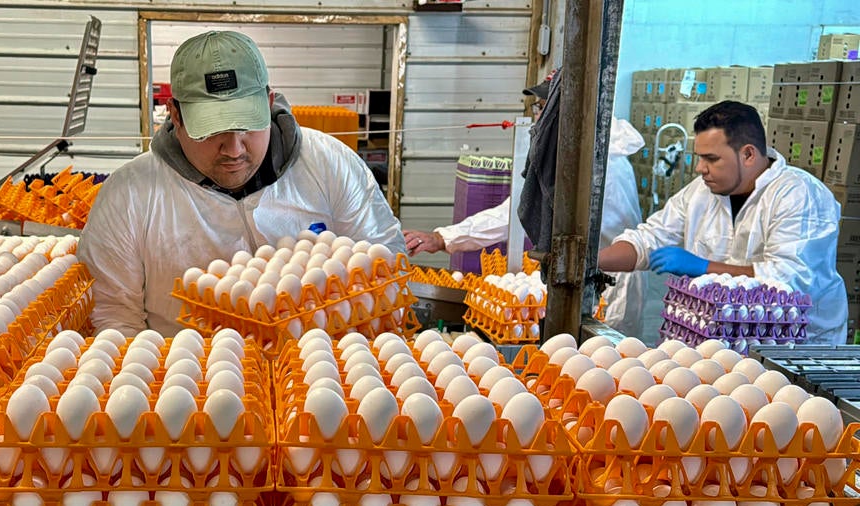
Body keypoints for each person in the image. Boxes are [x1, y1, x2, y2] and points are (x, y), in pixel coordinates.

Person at [77, 31, 404, 335]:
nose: (234, 150)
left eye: (248, 124)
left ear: (269, 100)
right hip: (195, 387)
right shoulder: (130, 196)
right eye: (211, 130)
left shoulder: (329, 163)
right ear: (175, 115)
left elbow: (383, 270)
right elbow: (113, 319)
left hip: (321, 384)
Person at [402, 78, 649, 336]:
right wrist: (442, 238)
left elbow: (515, 216)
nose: (537, 116)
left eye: (543, 107)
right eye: (537, 108)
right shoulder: (581, 152)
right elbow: (517, 211)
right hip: (585, 279)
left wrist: (442, 238)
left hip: (606, 289)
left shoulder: (596, 164)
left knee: (600, 365)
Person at [598, 100, 846, 344]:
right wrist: (591, 262)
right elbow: (649, 237)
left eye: (711, 159)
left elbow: (788, 283)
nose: (699, 168)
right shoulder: (702, 192)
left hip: (788, 346)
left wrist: (704, 267)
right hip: (717, 336)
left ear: (748, 154)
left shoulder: (799, 195)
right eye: (699, 157)